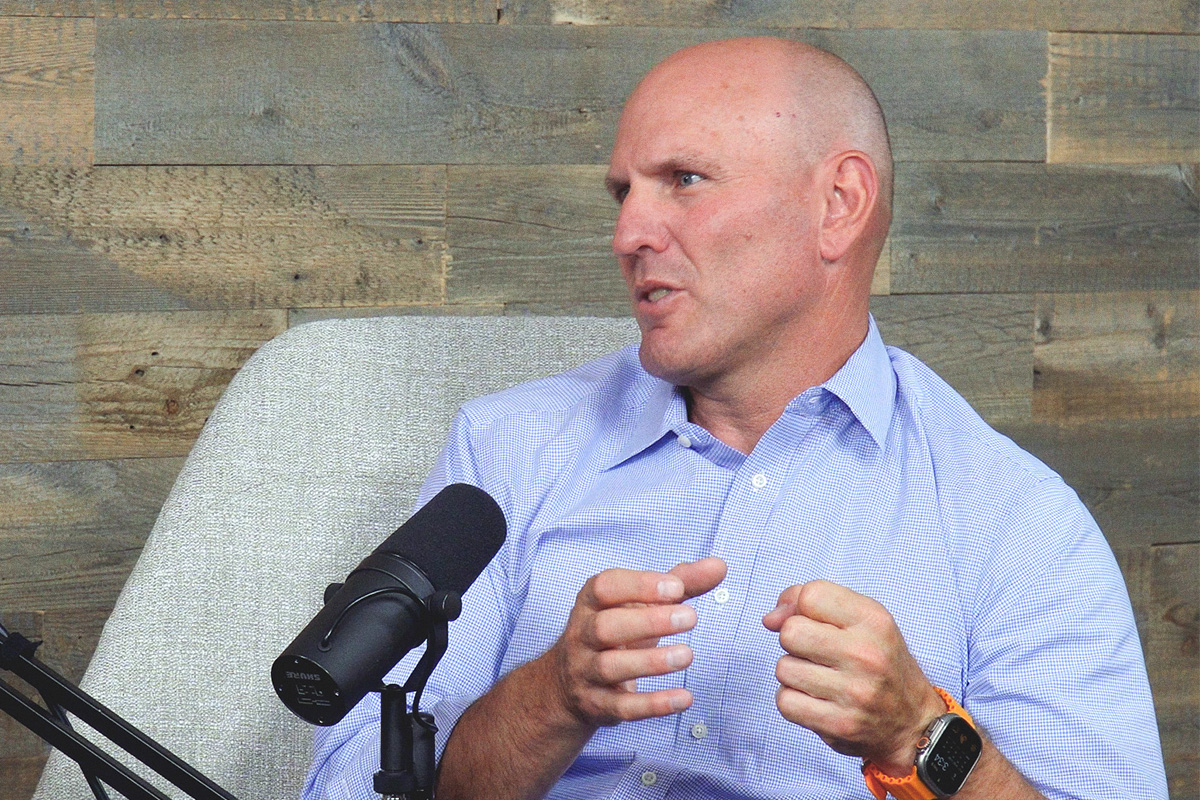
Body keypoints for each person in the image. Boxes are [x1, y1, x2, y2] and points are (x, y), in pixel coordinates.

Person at [302, 37, 1167, 800]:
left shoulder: (1015, 521)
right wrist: (552, 696)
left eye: (683, 180)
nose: (629, 233)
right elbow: (346, 788)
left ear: (838, 204)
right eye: (623, 194)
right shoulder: (504, 453)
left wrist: (921, 739)